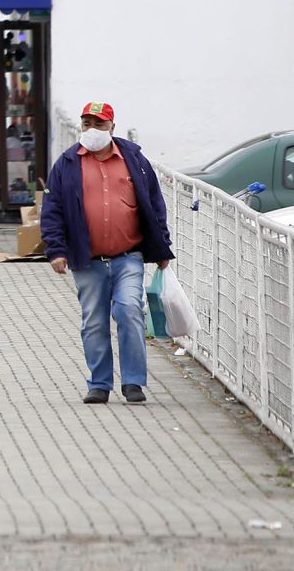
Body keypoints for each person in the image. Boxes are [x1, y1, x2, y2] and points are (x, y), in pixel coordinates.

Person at [40, 101, 173, 405]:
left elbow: (154, 204)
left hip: (129, 255)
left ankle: (133, 382)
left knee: (128, 310)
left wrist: (162, 244)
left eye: (99, 124)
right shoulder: (67, 163)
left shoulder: (134, 160)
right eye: (87, 124)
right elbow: (53, 210)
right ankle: (99, 383)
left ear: (112, 127)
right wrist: (56, 250)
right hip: (87, 260)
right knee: (95, 321)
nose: (92, 130)